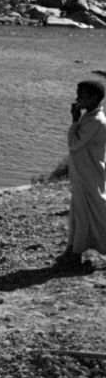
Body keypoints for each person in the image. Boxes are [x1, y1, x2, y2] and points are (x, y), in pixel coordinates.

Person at [58, 79, 106, 267]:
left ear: (94, 98)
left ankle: (77, 251)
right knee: (79, 213)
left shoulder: (95, 121)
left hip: (89, 174)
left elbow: (74, 145)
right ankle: (74, 249)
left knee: (89, 212)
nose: (77, 99)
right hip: (83, 173)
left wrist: (74, 120)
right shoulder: (90, 117)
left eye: (82, 96)